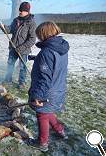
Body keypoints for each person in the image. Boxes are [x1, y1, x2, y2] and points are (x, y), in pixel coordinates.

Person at [27, 21, 69, 152]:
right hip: (58, 88)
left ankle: (42, 142)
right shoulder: (60, 47)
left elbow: (45, 78)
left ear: (43, 34)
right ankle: (60, 130)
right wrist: (37, 58)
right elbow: (54, 65)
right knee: (48, 111)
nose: (38, 37)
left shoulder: (46, 52)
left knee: (42, 114)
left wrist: (37, 97)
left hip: (47, 92)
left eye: (39, 35)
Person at [0, 1, 36, 89]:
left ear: (27, 11)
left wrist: (21, 47)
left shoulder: (31, 23)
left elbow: (32, 39)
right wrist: (3, 27)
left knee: (22, 67)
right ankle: (8, 80)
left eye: (22, 10)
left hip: (23, 50)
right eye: (20, 10)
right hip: (13, 47)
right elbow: (9, 30)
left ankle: (21, 82)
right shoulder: (16, 20)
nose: (20, 12)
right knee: (10, 64)